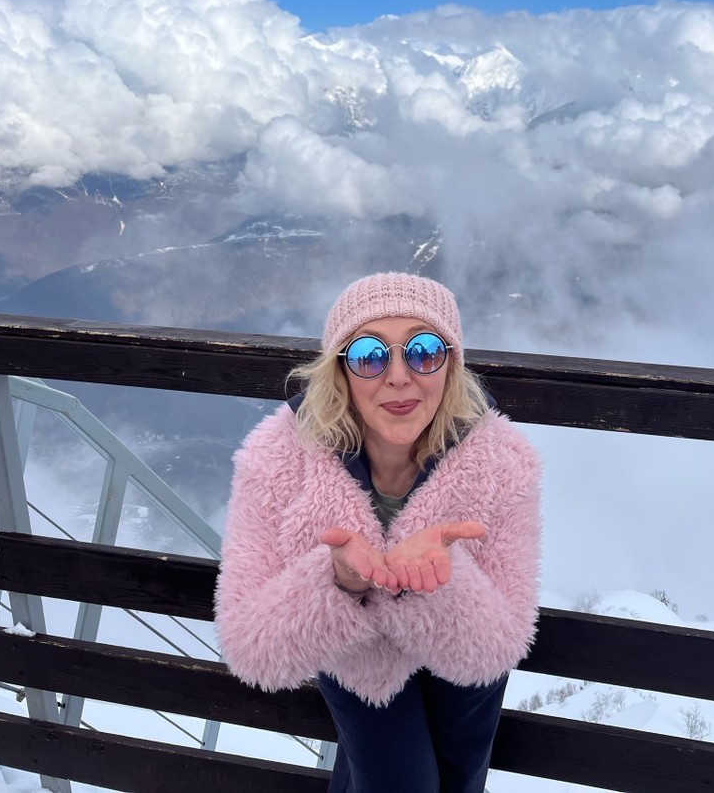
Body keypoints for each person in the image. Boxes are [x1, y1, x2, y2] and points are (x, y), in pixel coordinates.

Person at [215, 272, 542, 793]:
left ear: (451, 365)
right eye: (369, 356)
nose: (398, 377)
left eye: (424, 351)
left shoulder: (502, 462)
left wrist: (439, 578)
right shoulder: (279, 458)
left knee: (456, 781)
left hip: (462, 652)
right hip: (358, 660)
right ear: (339, 371)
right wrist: (338, 582)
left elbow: (500, 644)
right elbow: (249, 646)